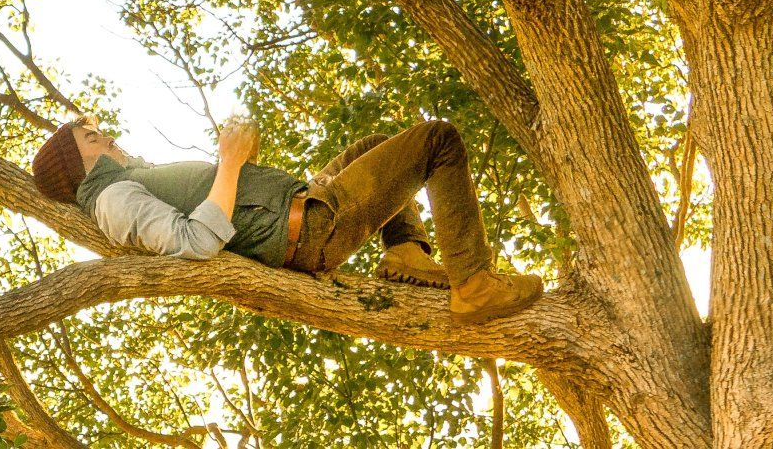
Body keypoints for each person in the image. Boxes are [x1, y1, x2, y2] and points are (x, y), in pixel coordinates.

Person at [30, 116, 544, 324]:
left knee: (374, 144)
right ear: (80, 164)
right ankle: (473, 284)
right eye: (92, 138)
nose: (107, 136)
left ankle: (406, 251)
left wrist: (243, 161)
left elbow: (226, 208)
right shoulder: (113, 198)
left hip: (303, 207)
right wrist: (230, 162)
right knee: (438, 140)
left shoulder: (126, 181)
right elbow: (195, 241)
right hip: (311, 229)